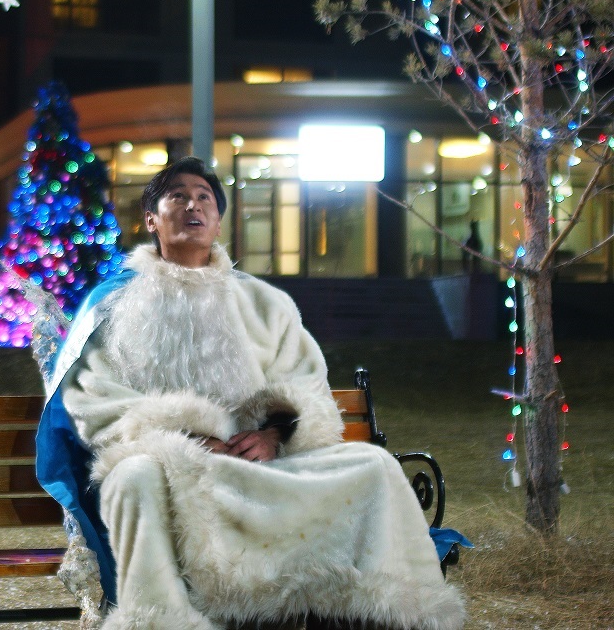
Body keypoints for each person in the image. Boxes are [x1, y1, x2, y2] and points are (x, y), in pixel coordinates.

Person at [36, 157, 465, 630]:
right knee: (134, 479)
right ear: (152, 219)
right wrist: (180, 437)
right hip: (165, 465)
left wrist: (274, 436)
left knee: (374, 464)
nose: (193, 205)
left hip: (259, 465)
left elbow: (304, 386)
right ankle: (162, 620)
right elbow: (92, 397)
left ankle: (373, 613)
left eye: (204, 198)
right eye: (178, 196)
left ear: (218, 222)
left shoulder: (265, 303)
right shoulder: (114, 305)